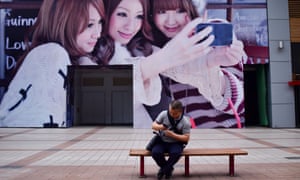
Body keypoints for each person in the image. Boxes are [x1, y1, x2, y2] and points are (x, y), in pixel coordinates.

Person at [79, 0, 216, 128]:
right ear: (106, 13)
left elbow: (183, 69)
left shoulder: (145, 49)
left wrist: (213, 60)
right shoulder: (86, 56)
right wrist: (162, 60)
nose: (131, 26)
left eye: (139, 16)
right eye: (122, 14)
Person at [0, 0, 105, 127]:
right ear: (64, 21)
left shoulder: (59, 58)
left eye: (100, 23)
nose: (98, 34)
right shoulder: (51, 55)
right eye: (89, 25)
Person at [149, 0, 246, 128]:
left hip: (228, 132)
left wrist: (211, 63)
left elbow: (239, 102)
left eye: (180, 11)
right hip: (195, 134)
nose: (171, 21)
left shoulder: (214, 29)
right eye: (162, 11)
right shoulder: (161, 48)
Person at [151, 100, 191, 179]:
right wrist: (161, 127)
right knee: (155, 152)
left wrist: (173, 135)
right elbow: (153, 125)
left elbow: (186, 138)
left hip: (175, 143)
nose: (172, 114)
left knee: (176, 153)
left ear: (180, 112)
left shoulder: (185, 121)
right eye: (170, 112)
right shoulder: (164, 114)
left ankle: (163, 170)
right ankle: (168, 169)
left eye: (175, 113)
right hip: (162, 141)